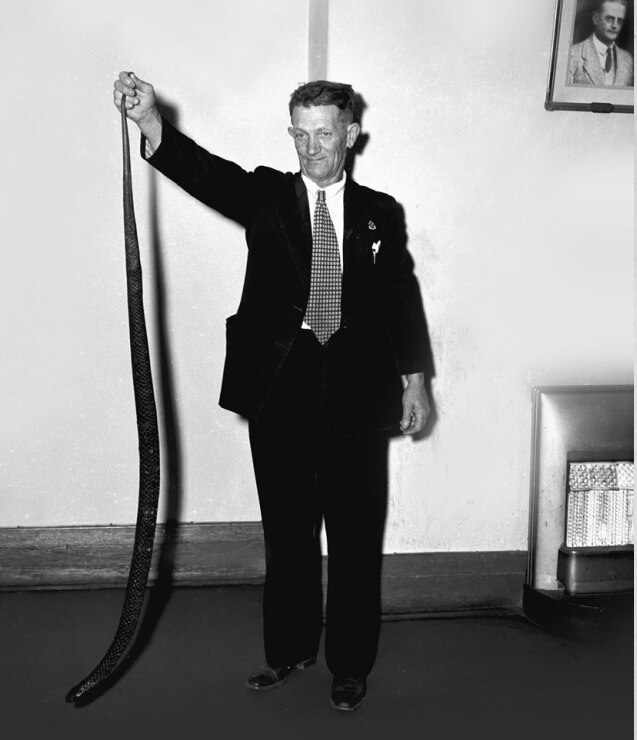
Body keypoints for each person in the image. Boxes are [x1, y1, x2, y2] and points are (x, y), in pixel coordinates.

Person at [113, 71, 430, 712]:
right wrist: (150, 122)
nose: (312, 149)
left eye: (325, 135)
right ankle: (288, 650)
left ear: (351, 135)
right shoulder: (266, 197)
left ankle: (349, 663)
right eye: (301, 135)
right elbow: (207, 173)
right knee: (287, 532)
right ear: (291, 135)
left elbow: (400, 295)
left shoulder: (379, 214)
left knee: (354, 535)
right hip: (281, 388)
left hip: (358, 395)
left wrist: (414, 378)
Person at [568, 0, 634, 86]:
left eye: (620, 21)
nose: (615, 25)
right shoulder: (573, 54)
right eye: (610, 19)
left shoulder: (628, 60)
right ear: (596, 18)